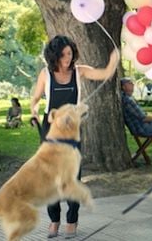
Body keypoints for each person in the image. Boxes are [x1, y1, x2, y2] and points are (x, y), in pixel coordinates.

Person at [30, 35, 119, 239]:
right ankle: (54, 220)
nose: (67, 58)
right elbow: (35, 98)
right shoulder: (46, 74)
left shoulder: (80, 72)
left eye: (70, 53)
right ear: (54, 56)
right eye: (63, 55)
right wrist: (33, 110)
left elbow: (105, 73)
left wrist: (113, 60)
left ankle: (72, 220)